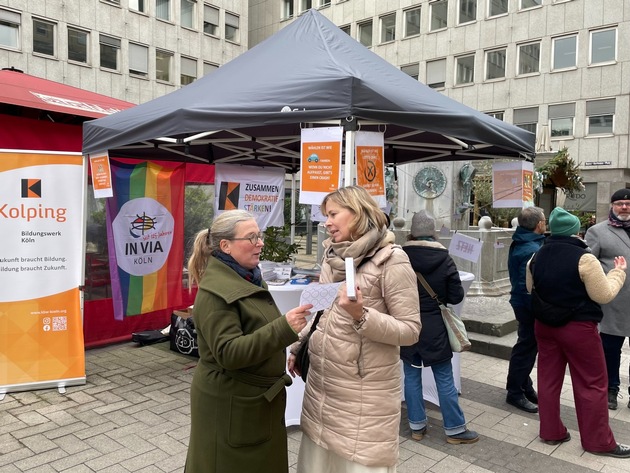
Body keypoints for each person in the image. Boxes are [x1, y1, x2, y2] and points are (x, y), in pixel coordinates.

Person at [288, 185, 421, 473]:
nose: (327, 222)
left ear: (358, 213)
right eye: (326, 215)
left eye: (334, 214)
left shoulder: (392, 260)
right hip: (323, 388)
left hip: (363, 396)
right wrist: (300, 345)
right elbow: (321, 313)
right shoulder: (332, 256)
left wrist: (362, 315)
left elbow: (410, 330)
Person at [184, 210, 313, 473]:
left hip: (250, 405)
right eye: (251, 237)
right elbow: (229, 353)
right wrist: (284, 328)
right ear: (225, 246)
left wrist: (287, 341)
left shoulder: (247, 276)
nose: (260, 243)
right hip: (232, 406)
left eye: (260, 235)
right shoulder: (215, 293)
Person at [527, 206, 630, 458]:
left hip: (545, 326)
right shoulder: (584, 258)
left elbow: (531, 288)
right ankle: (598, 442)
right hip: (578, 328)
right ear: (576, 231)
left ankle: (551, 432)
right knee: (592, 383)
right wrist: (618, 273)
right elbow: (603, 294)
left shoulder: (537, 255)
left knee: (548, 380)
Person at [401, 210, 479, 444]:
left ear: (411, 233)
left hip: (408, 324)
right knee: (444, 378)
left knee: (411, 376)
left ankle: (416, 426)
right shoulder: (445, 260)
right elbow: (455, 296)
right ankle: (455, 430)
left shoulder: (399, 257)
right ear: (434, 232)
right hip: (435, 327)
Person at [585, 189, 630, 410]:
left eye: (628, 204)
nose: (624, 207)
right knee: (611, 350)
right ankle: (611, 389)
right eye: (620, 203)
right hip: (613, 302)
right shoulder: (597, 231)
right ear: (612, 205)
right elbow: (587, 266)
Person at [505, 206, 546, 413]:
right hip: (527, 305)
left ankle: (525, 385)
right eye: (544, 220)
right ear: (539, 225)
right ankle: (514, 392)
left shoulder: (523, 240)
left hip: (523, 302)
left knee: (528, 347)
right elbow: (526, 286)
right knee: (526, 348)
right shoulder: (531, 248)